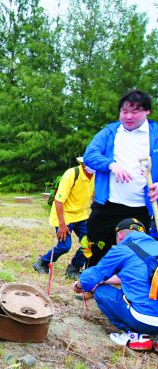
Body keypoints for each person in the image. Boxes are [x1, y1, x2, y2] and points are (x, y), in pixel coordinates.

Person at [82, 89, 158, 266]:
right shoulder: (110, 132)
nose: (128, 116)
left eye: (135, 111)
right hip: (107, 204)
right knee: (96, 245)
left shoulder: (155, 134)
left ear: (147, 111)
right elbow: (90, 154)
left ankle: (126, 289)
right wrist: (111, 165)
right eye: (124, 111)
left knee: (136, 254)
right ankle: (91, 286)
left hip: (140, 208)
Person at [74, 218, 158, 351]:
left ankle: (133, 336)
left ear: (119, 235)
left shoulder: (123, 249)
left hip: (143, 319)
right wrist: (104, 280)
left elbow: (91, 277)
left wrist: (79, 285)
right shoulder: (154, 247)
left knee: (101, 292)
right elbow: (138, 276)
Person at [32, 157, 94, 279]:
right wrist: (62, 225)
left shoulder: (96, 177)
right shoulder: (72, 174)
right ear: (84, 163)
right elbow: (59, 201)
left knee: (88, 244)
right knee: (64, 246)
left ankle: (74, 268)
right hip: (64, 215)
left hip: (81, 215)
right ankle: (42, 262)